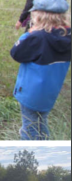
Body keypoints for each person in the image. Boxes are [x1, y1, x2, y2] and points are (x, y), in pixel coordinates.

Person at [10, 0, 71, 140]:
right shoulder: (67, 36)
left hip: (30, 94)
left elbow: (16, 53)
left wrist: (29, 34)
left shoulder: (37, 37)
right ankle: (44, 141)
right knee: (41, 122)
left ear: (38, 16)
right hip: (50, 93)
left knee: (29, 128)